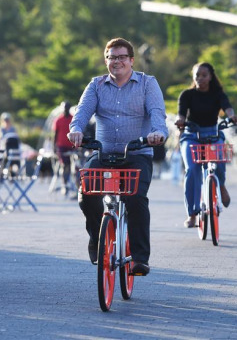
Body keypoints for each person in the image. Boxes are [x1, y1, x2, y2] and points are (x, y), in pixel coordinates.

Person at [68, 37, 168, 276]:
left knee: (135, 198)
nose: (117, 62)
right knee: (87, 195)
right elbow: (81, 113)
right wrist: (76, 130)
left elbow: (157, 113)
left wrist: (157, 133)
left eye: (122, 57)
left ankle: (140, 258)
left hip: (137, 153)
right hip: (103, 152)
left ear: (131, 60)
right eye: (112, 57)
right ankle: (96, 237)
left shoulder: (147, 84)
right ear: (106, 60)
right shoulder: (96, 85)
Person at [174, 62, 237, 228]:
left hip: (212, 134)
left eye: (204, 75)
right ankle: (192, 213)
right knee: (192, 169)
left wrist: (231, 117)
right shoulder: (187, 95)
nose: (200, 78)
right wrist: (181, 120)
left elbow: (228, 108)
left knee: (219, 162)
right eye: (197, 75)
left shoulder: (217, 94)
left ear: (211, 77)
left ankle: (222, 185)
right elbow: (181, 113)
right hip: (191, 135)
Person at [52, 101, 74, 194]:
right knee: (64, 165)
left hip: (71, 146)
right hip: (61, 146)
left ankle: (72, 184)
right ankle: (64, 184)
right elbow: (55, 134)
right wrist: (54, 146)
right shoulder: (58, 120)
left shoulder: (73, 119)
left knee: (72, 165)